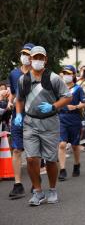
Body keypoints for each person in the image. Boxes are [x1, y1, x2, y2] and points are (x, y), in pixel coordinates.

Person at [15, 46, 72, 206]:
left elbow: (67, 97)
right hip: (30, 123)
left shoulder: (53, 78)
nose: (37, 60)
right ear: (31, 59)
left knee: (50, 160)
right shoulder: (23, 79)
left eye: (41, 57)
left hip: (50, 122)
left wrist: (53, 106)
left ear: (45, 60)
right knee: (32, 159)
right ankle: (38, 192)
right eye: (35, 57)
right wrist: (19, 114)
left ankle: (52, 190)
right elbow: (19, 99)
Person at [8, 43, 34, 199]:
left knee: (32, 153)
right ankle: (17, 184)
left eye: (28, 54)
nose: (25, 56)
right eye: (23, 53)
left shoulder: (38, 75)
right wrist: (10, 101)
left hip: (33, 117)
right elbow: (13, 93)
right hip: (17, 117)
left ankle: (35, 183)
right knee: (17, 150)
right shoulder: (13, 74)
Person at [58, 65, 85, 181]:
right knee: (62, 144)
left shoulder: (78, 89)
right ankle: (62, 169)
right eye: (64, 73)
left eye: (69, 73)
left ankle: (76, 164)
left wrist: (75, 106)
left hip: (75, 119)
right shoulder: (59, 89)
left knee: (75, 146)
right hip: (62, 119)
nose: (66, 75)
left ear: (73, 75)